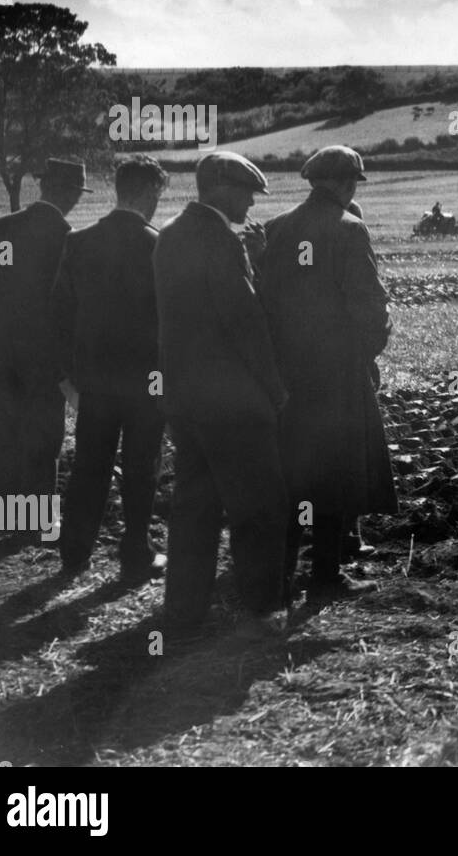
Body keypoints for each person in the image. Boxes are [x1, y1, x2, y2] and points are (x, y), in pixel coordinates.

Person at [154, 151, 290, 638]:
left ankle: (184, 612)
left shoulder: (170, 235)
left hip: (186, 399)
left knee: (195, 507)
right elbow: (243, 320)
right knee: (258, 506)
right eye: (246, 192)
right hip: (233, 402)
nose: (252, 202)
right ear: (218, 188)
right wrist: (274, 389)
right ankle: (262, 610)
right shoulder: (218, 239)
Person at [260, 146, 397, 601]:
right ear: (345, 184)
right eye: (354, 181)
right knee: (337, 474)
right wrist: (359, 356)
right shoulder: (349, 229)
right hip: (336, 376)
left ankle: (276, 582)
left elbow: (262, 304)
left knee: (293, 474)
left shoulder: (275, 229)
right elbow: (371, 310)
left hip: (286, 377)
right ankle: (325, 577)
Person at [52, 155, 169, 583]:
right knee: (142, 467)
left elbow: (59, 315)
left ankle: (74, 552)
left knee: (89, 466)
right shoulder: (159, 245)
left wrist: (67, 377)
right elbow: (169, 323)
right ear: (149, 193)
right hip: (146, 383)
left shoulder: (79, 242)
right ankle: (136, 553)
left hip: (95, 382)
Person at [0, 158, 89, 504]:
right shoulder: (68, 240)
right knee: (43, 437)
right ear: (70, 193)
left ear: (42, 186)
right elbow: (70, 304)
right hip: (46, 355)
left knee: (8, 433)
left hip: (9, 349)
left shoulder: (5, 230)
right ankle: (34, 520)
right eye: (76, 193)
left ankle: (6, 512)